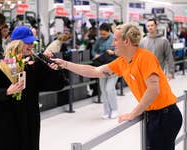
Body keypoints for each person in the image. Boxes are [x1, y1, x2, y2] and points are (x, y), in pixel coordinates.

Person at [50, 23, 182, 150]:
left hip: (165, 116)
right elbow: (95, 71)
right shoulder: (122, 62)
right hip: (154, 116)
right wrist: (66, 64)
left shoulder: (145, 58)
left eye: (116, 40)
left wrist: (133, 113)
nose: (113, 44)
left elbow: (153, 90)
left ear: (126, 42)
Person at [0, 26, 65, 150]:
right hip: (7, 119)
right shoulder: (4, 64)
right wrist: (7, 91)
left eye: (32, 42)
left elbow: (58, 84)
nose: (31, 45)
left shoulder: (36, 63)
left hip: (29, 118)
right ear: (17, 43)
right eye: (27, 42)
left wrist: (54, 68)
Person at [91, 23, 119, 119]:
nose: (102, 36)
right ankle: (107, 111)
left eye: (104, 34)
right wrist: (96, 55)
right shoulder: (99, 40)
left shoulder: (115, 39)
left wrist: (113, 52)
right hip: (102, 67)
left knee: (110, 89)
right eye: (101, 34)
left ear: (109, 31)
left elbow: (121, 51)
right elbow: (93, 50)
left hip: (113, 67)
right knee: (103, 90)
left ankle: (114, 109)